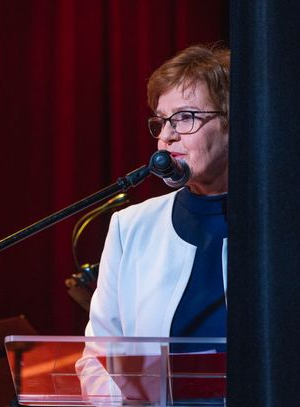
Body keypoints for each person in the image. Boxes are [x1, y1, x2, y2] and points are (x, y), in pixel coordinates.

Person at [85, 44, 230, 352]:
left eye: (185, 117)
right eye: (162, 121)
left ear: (232, 124)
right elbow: (99, 355)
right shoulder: (130, 226)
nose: (166, 136)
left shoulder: (285, 220)